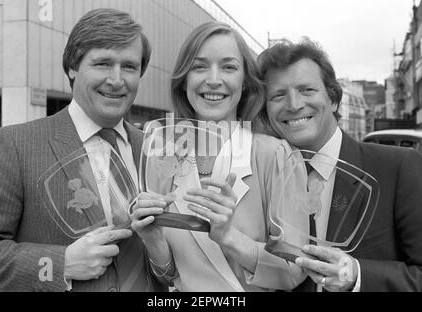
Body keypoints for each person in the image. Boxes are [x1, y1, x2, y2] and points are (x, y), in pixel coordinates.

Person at [0, 8, 166, 292]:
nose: (116, 79)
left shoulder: (156, 149)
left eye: (129, 66)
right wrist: (60, 264)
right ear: (73, 67)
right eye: (102, 63)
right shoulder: (17, 145)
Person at [130, 21, 308, 292]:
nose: (213, 79)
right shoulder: (163, 156)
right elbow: (168, 277)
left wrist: (228, 237)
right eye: (199, 66)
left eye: (228, 66)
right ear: (184, 80)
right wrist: (153, 241)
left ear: (246, 83)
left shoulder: (276, 156)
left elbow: (294, 271)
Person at [257, 38, 422, 292]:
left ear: (333, 100)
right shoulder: (265, 177)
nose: (293, 104)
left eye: (307, 90)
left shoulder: (399, 169)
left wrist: (357, 276)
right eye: (278, 95)